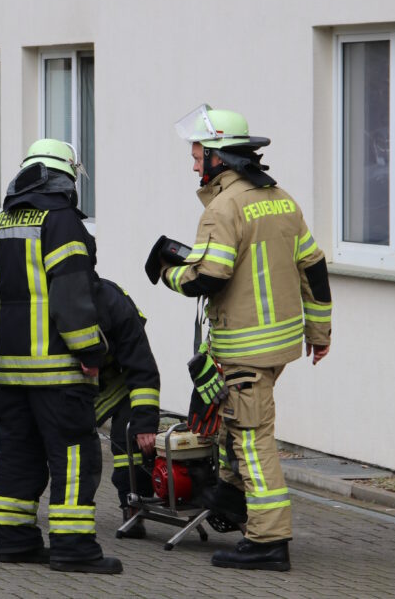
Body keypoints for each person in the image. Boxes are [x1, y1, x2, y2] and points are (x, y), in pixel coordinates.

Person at [148, 105, 332, 572]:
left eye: (197, 155)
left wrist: (166, 272)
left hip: (245, 349)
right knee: (235, 426)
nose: (193, 164)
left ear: (219, 157)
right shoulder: (283, 200)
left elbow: (208, 276)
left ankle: (268, 541)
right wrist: (320, 331)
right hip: (279, 346)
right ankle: (231, 498)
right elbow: (314, 267)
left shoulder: (223, 207)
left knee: (252, 440)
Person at [0, 139, 122, 574]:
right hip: (60, 372)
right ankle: (73, 547)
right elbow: (72, 297)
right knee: (74, 455)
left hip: (11, 373)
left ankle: (15, 541)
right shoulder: (63, 224)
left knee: (18, 454)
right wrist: (91, 351)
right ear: (64, 177)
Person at [0, 277, 161, 540]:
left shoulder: (118, 309)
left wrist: (145, 424)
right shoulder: (50, 304)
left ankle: (133, 505)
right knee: (35, 431)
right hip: (70, 382)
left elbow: (143, 369)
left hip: (116, 384)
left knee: (127, 438)